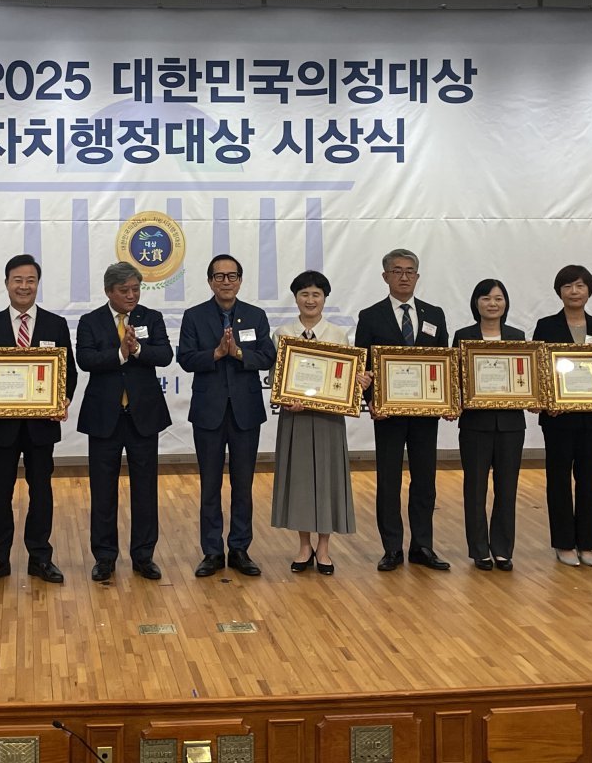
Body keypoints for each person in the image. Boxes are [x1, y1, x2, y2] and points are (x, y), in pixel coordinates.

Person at [0, 253, 77, 585]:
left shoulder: (55, 324)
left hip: (41, 426)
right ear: (6, 284)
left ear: (38, 284)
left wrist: (63, 398)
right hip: (2, 426)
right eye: (17, 280)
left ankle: (40, 558)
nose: (24, 286)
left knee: (41, 492)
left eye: (30, 280)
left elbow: (69, 373)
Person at [353, 247, 451, 573]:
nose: (404, 276)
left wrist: (446, 399)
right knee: (388, 480)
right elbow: (363, 366)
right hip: (388, 414)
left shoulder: (434, 314)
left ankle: (422, 545)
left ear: (418, 276)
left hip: (425, 413)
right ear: (385, 276)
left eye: (410, 271)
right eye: (397, 271)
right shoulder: (370, 316)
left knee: (425, 480)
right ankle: (392, 548)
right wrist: (372, 402)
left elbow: (444, 362)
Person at [76, 260, 173, 582]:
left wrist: (138, 348)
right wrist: (119, 353)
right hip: (104, 417)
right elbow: (85, 359)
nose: (131, 295)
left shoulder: (151, 318)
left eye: (135, 289)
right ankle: (104, 557)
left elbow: (165, 355)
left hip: (143, 417)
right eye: (124, 290)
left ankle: (143, 556)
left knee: (145, 490)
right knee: (103, 491)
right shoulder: (90, 321)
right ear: (109, 292)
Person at [178, 253, 274, 577]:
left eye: (232, 276)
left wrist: (240, 353)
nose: (226, 282)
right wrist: (217, 353)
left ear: (240, 281)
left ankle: (240, 548)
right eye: (219, 276)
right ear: (210, 282)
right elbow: (185, 358)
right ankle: (212, 551)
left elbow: (267, 356)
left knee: (243, 485)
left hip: (246, 412)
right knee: (210, 485)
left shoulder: (256, 316)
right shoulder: (194, 316)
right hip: (208, 412)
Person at [270, 270, 368, 575]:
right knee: (299, 480)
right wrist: (285, 397)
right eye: (304, 294)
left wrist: (358, 383)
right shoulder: (282, 334)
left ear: (325, 298)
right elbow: (276, 377)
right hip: (295, 416)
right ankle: (304, 546)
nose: (310, 300)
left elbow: (344, 378)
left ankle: (324, 548)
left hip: (329, 419)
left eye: (316, 294)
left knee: (327, 480)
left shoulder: (338, 335)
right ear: (295, 298)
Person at [532, 263, 592, 568]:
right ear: (559, 292)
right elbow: (540, 368)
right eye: (567, 286)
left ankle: (587, 544)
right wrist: (546, 399)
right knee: (559, 479)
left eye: (580, 286)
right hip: (558, 416)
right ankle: (564, 543)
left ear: (589, 291)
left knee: (588, 480)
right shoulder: (546, 326)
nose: (574, 291)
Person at [452, 278, 525, 572]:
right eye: (486, 298)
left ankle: (503, 550)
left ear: (505, 303)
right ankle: (479, 549)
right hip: (475, 424)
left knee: (507, 489)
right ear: (476, 303)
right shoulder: (463, 336)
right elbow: (455, 377)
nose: (492, 304)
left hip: (511, 424)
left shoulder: (518, 336)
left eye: (498, 298)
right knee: (475, 489)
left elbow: (525, 376)